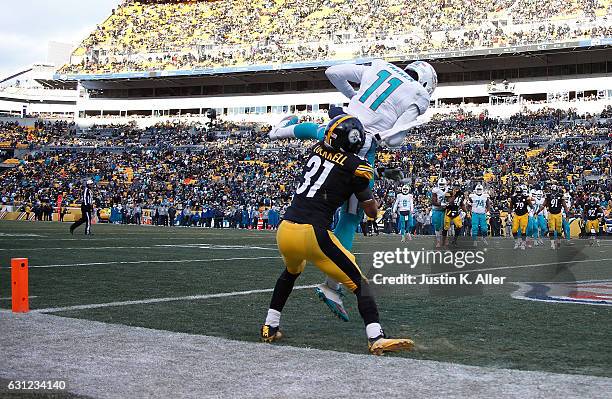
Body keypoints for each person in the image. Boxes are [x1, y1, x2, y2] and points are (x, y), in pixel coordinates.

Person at [269, 60, 437, 320]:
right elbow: (394, 138)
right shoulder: (418, 93)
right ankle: (332, 285)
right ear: (426, 83)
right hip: (362, 143)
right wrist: (382, 136)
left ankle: (279, 132)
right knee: (353, 214)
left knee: (320, 132)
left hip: (342, 124)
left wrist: (356, 99)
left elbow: (332, 72)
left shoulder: (379, 66)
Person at [261, 114, 414, 355]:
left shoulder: (317, 149)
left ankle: (270, 325)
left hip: (285, 230)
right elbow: (371, 212)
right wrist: (373, 188)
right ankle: (376, 337)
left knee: (290, 274)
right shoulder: (357, 168)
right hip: (312, 233)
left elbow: (336, 165)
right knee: (360, 284)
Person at [510, 185, 531, 250]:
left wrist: (531, 211)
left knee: (523, 229)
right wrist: (509, 214)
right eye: (518, 192)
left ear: (521, 192)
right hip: (516, 214)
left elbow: (531, 205)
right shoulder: (513, 198)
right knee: (514, 229)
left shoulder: (526, 197)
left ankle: (523, 243)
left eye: (520, 192)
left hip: (524, 214)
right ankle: (516, 242)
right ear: (516, 192)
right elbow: (510, 207)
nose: (519, 193)